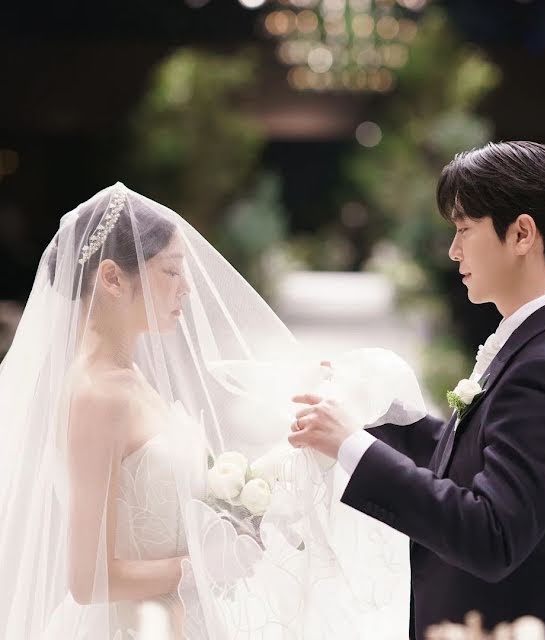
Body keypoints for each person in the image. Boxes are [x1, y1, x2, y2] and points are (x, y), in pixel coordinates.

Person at [0, 182, 429, 639]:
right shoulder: (96, 396)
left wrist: (256, 496)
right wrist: (201, 566)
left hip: (182, 618)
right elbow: (88, 580)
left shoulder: (131, 376)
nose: (186, 288)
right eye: (171, 271)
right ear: (111, 278)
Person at [290, 141, 545, 639]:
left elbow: (491, 534)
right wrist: (387, 418)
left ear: (522, 233)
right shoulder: (541, 342)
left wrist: (352, 446)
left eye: (464, 229)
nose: (453, 250)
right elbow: (485, 460)